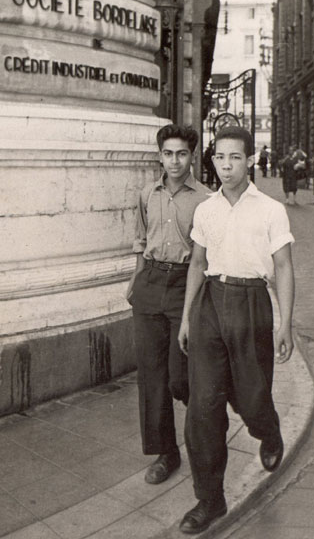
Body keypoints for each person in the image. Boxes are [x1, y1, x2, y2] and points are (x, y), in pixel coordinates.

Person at [177, 125, 295, 535]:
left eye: (236, 158)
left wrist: (286, 324)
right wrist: (188, 317)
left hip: (251, 306)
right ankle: (210, 500)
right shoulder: (206, 209)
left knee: (252, 397)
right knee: (203, 408)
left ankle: (268, 430)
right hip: (210, 303)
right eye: (220, 158)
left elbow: (282, 267)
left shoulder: (270, 209)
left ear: (250, 160)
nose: (226, 166)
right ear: (212, 160)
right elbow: (196, 264)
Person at [127, 124, 210, 485]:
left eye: (181, 154)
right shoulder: (148, 193)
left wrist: (196, 304)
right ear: (159, 155)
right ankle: (166, 452)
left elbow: (205, 259)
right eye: (167, 153)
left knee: (181, 377)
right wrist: (135, 280)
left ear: (192, 156)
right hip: (149, 284)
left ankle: (203, 438)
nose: (174, 161)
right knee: (151, 375)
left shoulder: (206, 200)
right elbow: (141, 239)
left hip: (185, 286)